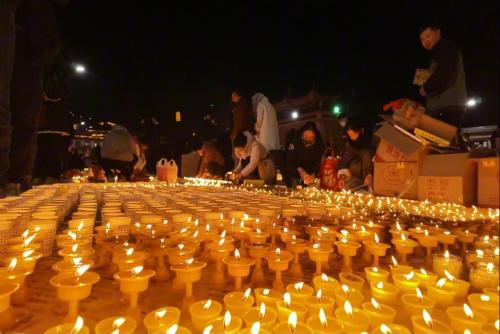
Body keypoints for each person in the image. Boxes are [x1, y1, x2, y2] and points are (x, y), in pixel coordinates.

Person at [1, 0, 60, 195]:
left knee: (23, 117)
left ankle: (16, 181)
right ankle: (13, 181)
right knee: (19, 115)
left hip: (31, 48)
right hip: (26, 44)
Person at [418, 22, 467, 127]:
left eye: (428, 36)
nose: (425, 41)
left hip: (447, 106)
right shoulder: (438, 53)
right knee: (446, 141)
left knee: (444, 141)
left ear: (438, 32)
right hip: (443, 106)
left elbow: (443, 73)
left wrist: (425, 87)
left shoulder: (447, 48)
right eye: (422, 40)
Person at [338, 117, 375, 189]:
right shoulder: (350, 144)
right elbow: (345, 159)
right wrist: (342, 176)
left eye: (354, 135)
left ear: (360, 131)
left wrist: (369, 175)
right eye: (350, 136)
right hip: (355, 178)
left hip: (369, 180)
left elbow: (369, 158)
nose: (352, 138)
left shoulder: (369, 143)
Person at [286, 122, 324, 186]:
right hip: (294, 173)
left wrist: (313, 174)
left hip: (309, 174)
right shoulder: (294, 141)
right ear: (302, 135)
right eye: (305, 136)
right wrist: (300, 170)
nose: (307, 139)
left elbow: (317, 163)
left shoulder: (318, 145)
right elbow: (289, 161)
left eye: (310, 138)